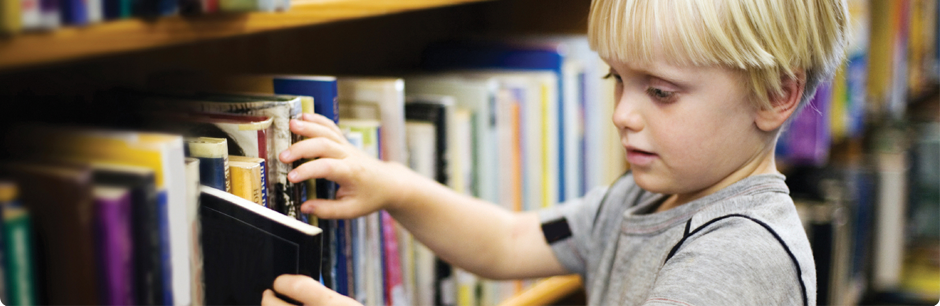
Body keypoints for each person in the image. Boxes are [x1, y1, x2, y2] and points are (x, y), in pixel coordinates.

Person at [262, 0, 848, 304]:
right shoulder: (645, 198)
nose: (623, 113)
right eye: (616, 80)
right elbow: (511, 241)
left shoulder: (738, 255)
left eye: (661, 91)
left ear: (776, 94)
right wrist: (395, 186)